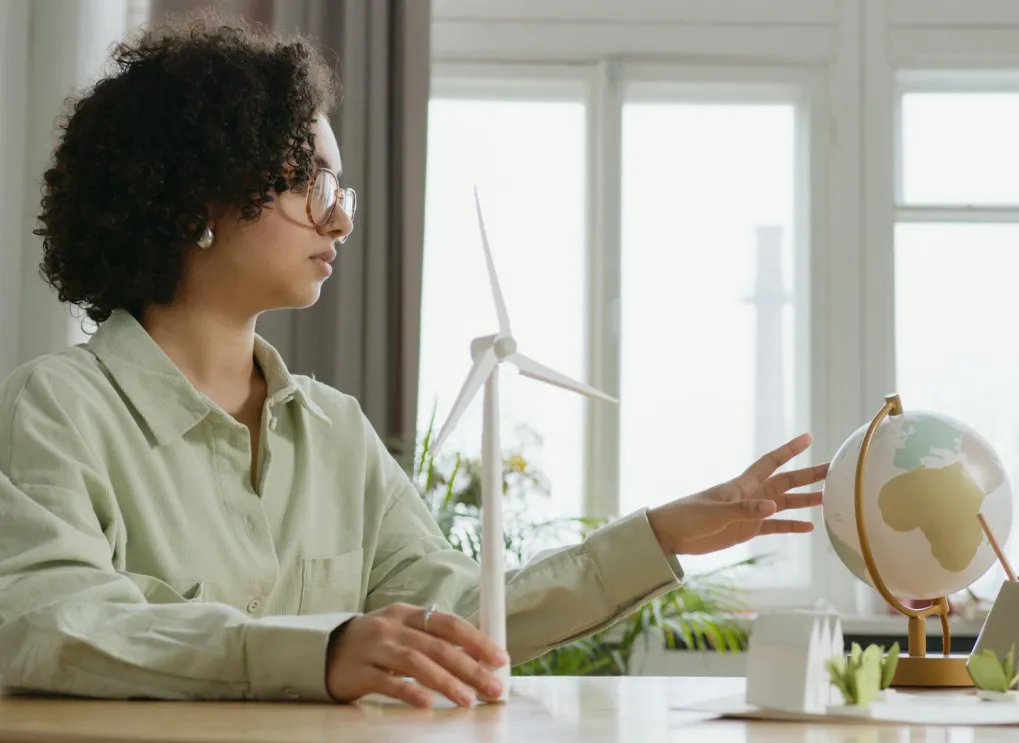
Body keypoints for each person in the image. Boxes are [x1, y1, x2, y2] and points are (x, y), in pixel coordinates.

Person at [0, 14, 827, 709]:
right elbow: (50, 622)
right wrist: (319, 651)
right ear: (196, 198)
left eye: (342, 191)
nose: (340, 220)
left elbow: (463, 614)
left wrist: (659, 535)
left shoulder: (335, 431)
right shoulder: (57, 409)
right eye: (311, 183)